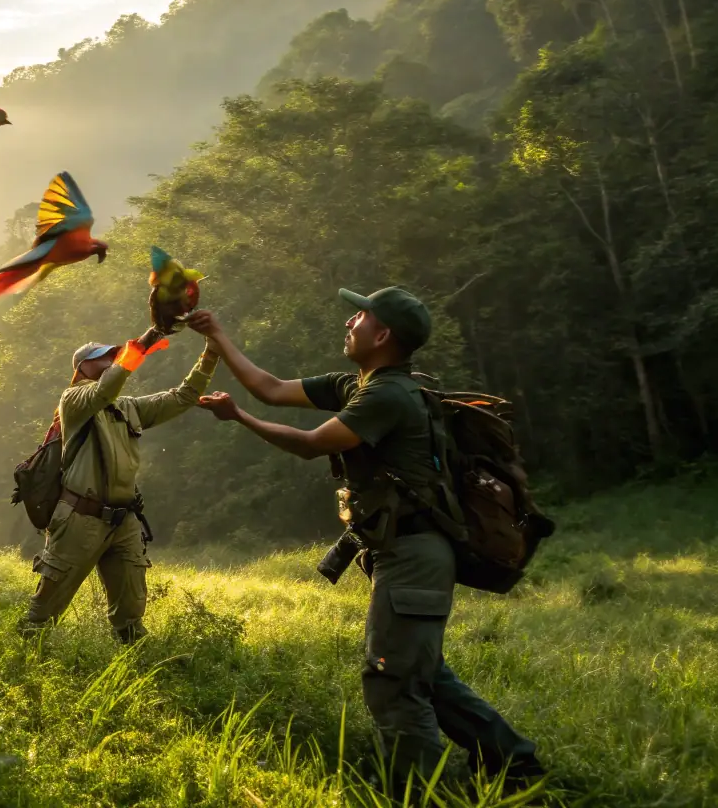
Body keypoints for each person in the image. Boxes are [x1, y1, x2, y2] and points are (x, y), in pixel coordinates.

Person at [189, 288, 544, 787]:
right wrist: (217, 334)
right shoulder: (360, 384)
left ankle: (419, 793)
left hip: (414, 555)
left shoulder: (388, 396)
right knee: (425, 675)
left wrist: (239, 419)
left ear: (382, 335)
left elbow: (313, 445)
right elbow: (268, 387)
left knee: (393, 682)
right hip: (403, 552)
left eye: (360, 315)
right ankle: (515, 763)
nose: (349, 321)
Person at [22, 326, 219, 643]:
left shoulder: (127, 407)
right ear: (83, 367)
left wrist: (211, 352)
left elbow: (182, 397)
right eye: (103, 357)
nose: (112, 360)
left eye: (113, 355)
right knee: (45, 610)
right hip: (78, 519)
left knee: (131, 611)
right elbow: (106, 388)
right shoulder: (73, 399)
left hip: (123, 520)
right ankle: (22, 663)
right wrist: (150, 337)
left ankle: (135, 666)